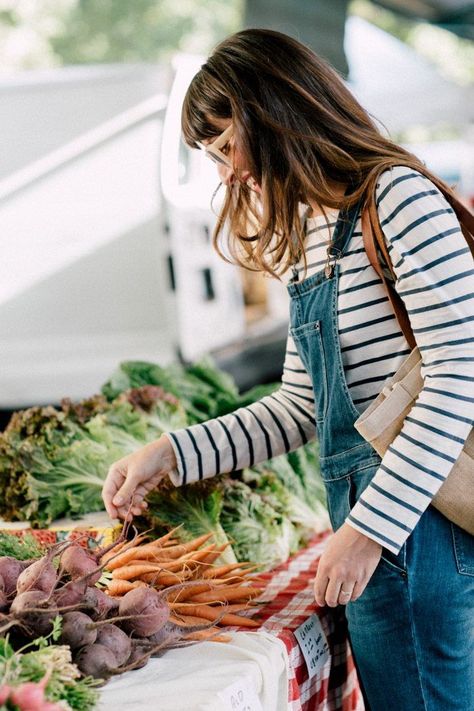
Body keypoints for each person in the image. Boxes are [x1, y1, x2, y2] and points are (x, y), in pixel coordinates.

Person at [102, 29, 474, 710]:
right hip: (369, 533)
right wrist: (172, 453)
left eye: (225, 147)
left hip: (418, 530)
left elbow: (459, 376)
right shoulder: (314, 233)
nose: (227, 173)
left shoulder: (400, 200)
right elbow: (301, 407)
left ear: (275, 112)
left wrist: (368, 531)